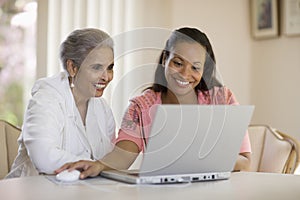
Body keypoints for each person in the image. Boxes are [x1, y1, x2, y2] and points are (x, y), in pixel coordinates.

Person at [56, 27, 251, 179]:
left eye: (195, 67)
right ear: (165, 59)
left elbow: (244, 162)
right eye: (178, 63)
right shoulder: (141, 106)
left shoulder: (222, 99)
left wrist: (201, 160)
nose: (185, 74)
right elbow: (123, 155)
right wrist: (97, 165)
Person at [5, 28, 116, 178]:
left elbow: (108, 162)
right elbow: (44, 157)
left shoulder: (103, 109)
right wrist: (96, 167)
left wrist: (102, 166)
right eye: (97, 67)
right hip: (31, 191)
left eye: (110, 68)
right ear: (72, 68)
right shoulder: (46, 99)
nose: (107, 76)